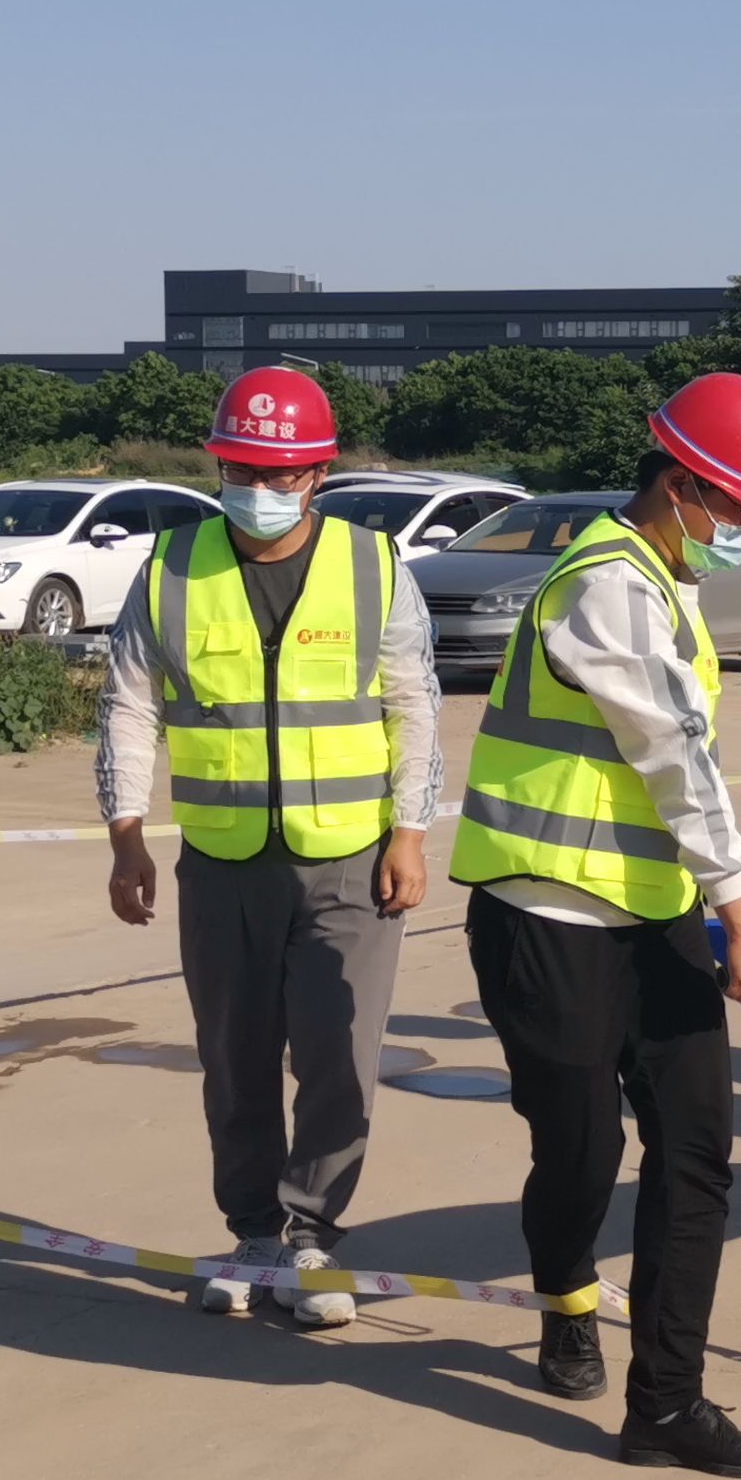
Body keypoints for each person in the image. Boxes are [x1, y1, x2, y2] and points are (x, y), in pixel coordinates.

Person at [449, 371, 741, 1478]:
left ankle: (668, 1405)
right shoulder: (605, 587)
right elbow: (673, 757)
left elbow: (682, 770)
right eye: (736, 508)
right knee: (582, 1152)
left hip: (653, 917)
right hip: (545, 913)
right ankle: (566, 1298)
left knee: (697, 1152)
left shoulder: (666, 582)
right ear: (680, 484)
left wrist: (712, 902)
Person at [100, 366, 441, 1331]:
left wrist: (411, 833)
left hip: (352, 860)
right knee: (234, 1057)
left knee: (340, 1057)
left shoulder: (374, 566)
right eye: (241, 469)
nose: (258, 487)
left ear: (318, 474)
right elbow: (128, 708)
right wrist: (127, 836)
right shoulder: (171, 568)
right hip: (223, 862)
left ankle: (312, 1237)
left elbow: (415, 706)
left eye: (279, 472)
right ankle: (253, 1234)